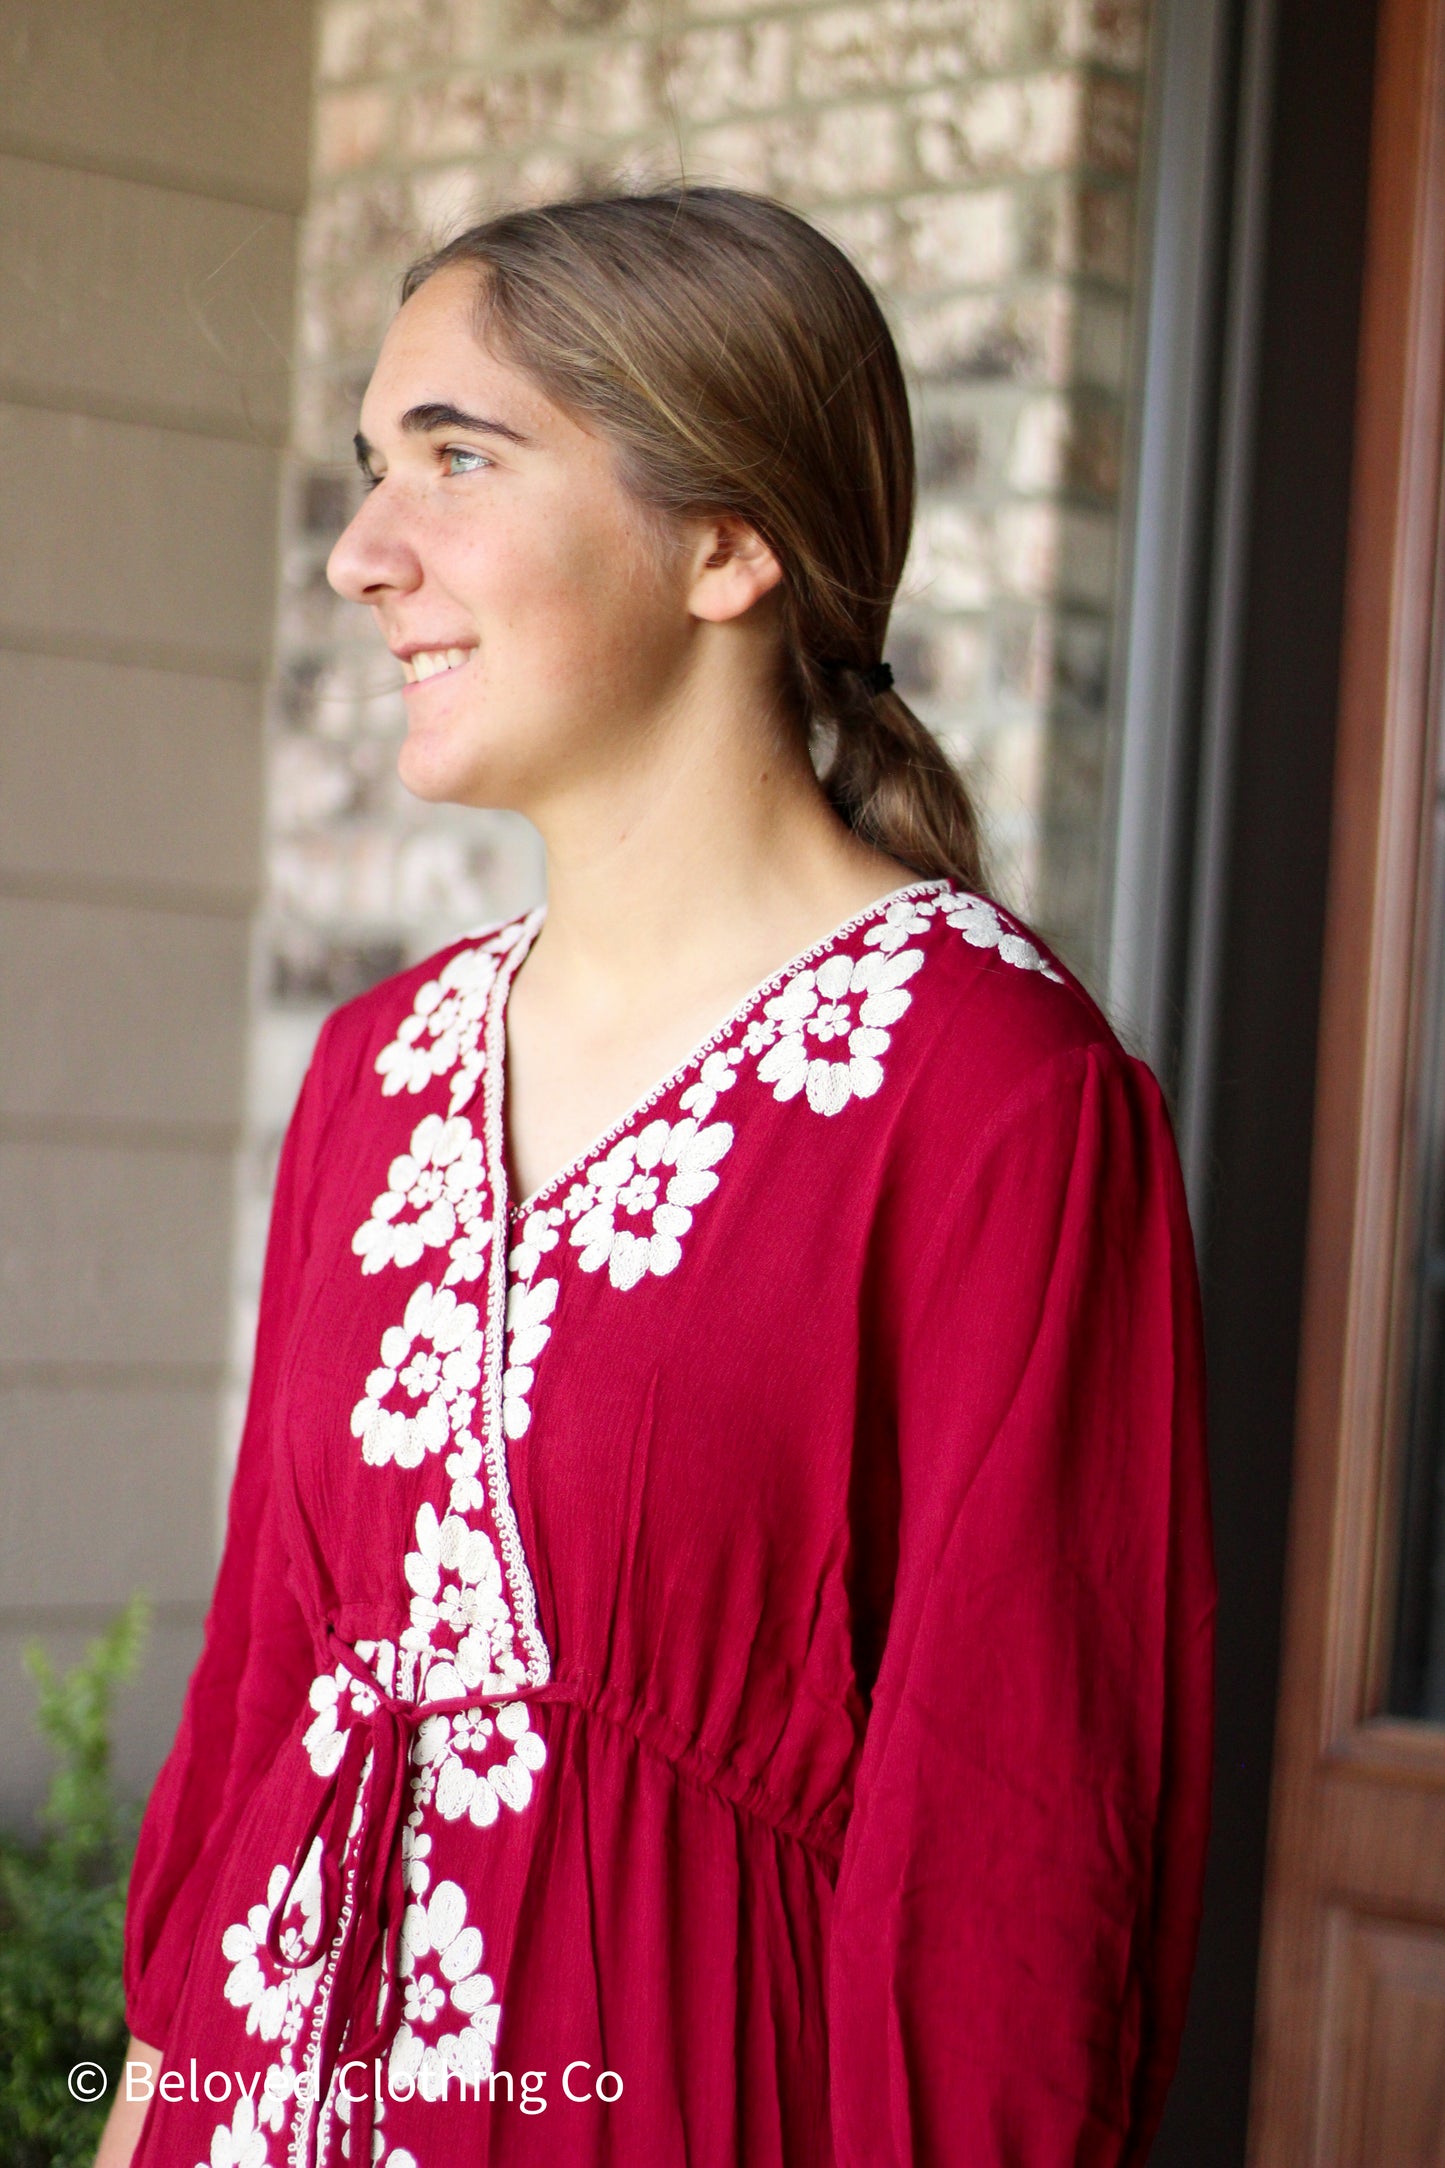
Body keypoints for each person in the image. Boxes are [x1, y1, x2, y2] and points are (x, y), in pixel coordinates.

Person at [97, 187, 1214, 2168]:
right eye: (372, 466)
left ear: (727, 540)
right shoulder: (376, 1071)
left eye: (458, 457)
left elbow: (1015, 1885)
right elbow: (265, 1691)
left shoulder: (993, 1100)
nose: (361, 552)